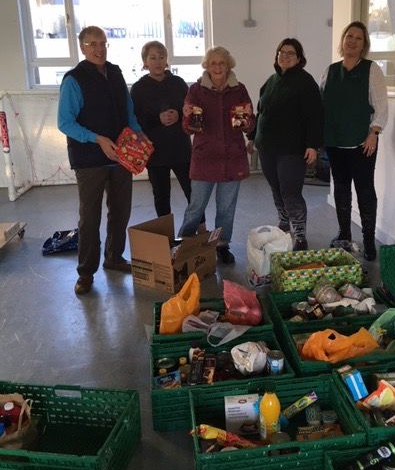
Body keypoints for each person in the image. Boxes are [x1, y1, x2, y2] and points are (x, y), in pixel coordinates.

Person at [58, 25, 145, 295]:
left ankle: (114, 257)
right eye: (93, 44)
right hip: (89, 159)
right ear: (82, 47)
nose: (99, 48)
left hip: (121, 157)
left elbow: (128, 111)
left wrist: (139, 136)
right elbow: (65, 123)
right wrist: (97, 139)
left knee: (121, 211)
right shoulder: (74, 79)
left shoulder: (116, 73)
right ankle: (85, 272)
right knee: (90, 216)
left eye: (103, 43)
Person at [178, 46, 254, 264]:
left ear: (228, 65)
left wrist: (248, 120)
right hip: (205, 159)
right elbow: (189, 129)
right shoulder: (196, 90)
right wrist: (187, 118)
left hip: (233, 158)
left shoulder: (239, 89)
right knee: (196, 208)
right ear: (207, 66)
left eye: (222, 63)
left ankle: (222, 245)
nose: (218, 67)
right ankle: (184, 244)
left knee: (226, 210)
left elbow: (248, 126)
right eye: (213, 63)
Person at [319, 21, 388, 261]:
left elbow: (381, 106)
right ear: (343, 40)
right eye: (349, 36)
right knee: (340, 189)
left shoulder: (371, 70)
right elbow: (320, 103)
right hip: (335, 143)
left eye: (358, 38)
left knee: (365, 191)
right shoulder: (330, 70)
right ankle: (344, 233)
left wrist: (374, 133)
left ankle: (369, 239)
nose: (352, 41)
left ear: (363, 45)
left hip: (362, 143)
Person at [247, 38, 322, 251]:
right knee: (276, 189)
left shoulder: (305, 83)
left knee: (291, 192)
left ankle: (300, 234)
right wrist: (252, 136)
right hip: (267, 147)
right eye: (282, 52)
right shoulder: (270, 81)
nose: (285, 56)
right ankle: (283, 222)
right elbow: (261, 113)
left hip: (292, 150)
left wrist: (312, 145)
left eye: (290, 53)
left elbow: (315, 117)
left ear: (299, 58)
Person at [130, 41, 193, 217]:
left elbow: (192, 110)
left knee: (193, 193)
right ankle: (166, 239)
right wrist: (157, 119)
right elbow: (134, 120)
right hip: (155, 153)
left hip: (181, 149)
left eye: (162, 57)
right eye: (153, 57)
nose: (158, 61)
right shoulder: (139, 88)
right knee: (161, 196)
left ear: (166, 60)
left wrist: (179, 115)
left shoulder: (179, 83)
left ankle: (200, 234)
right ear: (145, 62)